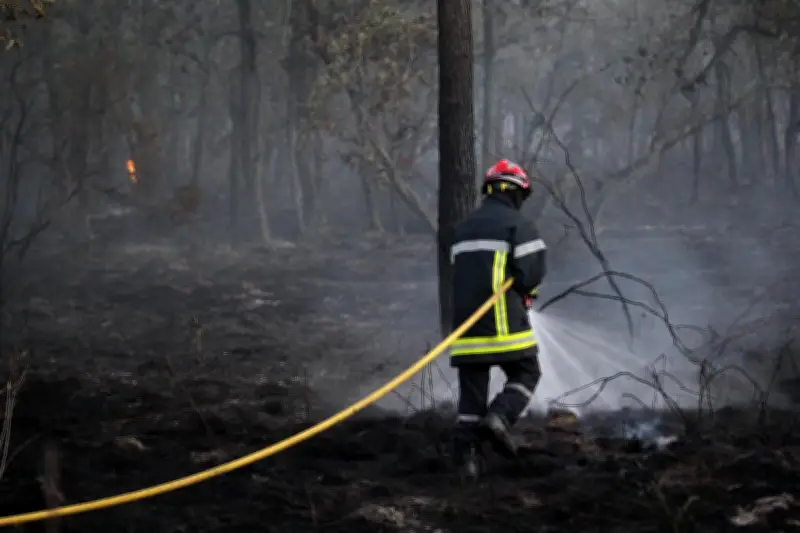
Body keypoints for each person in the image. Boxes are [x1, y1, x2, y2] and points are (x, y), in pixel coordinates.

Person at [448, 159, 547, 479]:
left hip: (466, 330)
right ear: (517, 192)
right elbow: (531, 274)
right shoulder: (519, 225)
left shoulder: (462, 229)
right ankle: (500, 417)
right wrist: (527, 294)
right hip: (504, 325)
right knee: (527, 372)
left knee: (470, 399)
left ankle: (466, 464)